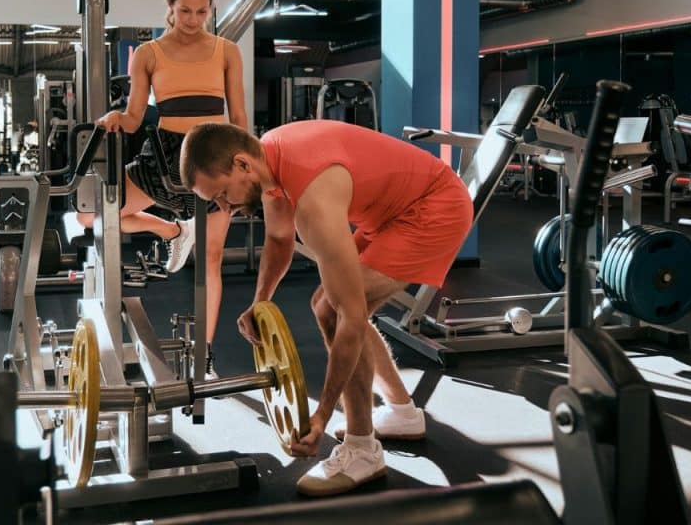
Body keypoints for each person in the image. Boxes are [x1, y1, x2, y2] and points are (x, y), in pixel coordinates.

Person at [179, 119, 474, 497]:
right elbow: (278, 237)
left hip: (434, 207)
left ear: (241, 165)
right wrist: (260, 300)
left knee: (336, 310)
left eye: (221, 194)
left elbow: (351, 318)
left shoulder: (313, 200)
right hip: (391, 210)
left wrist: (322, 414)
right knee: (327, 303)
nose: (225, 207)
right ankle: (402, 413)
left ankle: (362, 450)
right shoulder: (268, 158)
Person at [80, 0, 247, 379]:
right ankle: (171, 231)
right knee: (93, 216)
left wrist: (251, 165)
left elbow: (239, 116)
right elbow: (136, 118)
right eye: (185, 10)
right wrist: (118, 116)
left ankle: (203, 355)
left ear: (210, 10)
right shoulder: (150, 53)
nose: (193, 19)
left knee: (210, 262)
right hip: (166, 155)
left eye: (202, 11)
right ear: (170, 8)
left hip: (214, 155)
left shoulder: (227, 50)